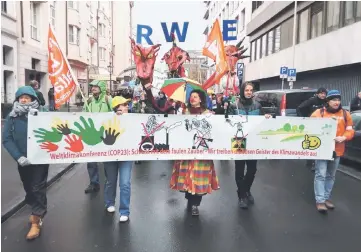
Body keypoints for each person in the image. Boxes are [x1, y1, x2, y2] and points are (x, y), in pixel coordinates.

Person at [2, 86, 49, 240]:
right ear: (17, 99)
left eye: (27, 97)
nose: (23, 99)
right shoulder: (12, 117)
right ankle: (35, 207)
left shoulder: (42, 113)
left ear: (33, 99)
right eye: (21, 97)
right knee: (28, 187)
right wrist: (18, 157)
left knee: (37, 187)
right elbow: (7, 139)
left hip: (40, 159)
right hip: (23, 161)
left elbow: (57, 127)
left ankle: (37, 219)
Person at [170, 90, 220, 216]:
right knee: (188, 177)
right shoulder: (185, 112)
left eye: (195, 97)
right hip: (187, 151)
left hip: (202, 152)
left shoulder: (208, 114)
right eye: (191, 97)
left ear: (201, 99)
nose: (193, 99)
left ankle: (195, 205)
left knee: (199, 179)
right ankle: (190, 199)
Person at [229, 82, 271, 209]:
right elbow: (227, 122)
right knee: (240, 170)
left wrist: (266, 117)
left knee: (252, 170)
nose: (249, 92)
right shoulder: (234, 105)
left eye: (251, 90)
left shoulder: (257, 105)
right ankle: (242, 196)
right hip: (238, 141)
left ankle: (246, 190)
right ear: (242, 91)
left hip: (254, 141)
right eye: (246, 90)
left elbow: (262, 121)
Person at [311, 90, 354, 213]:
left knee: (331, 175)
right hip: (322, 150)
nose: (336, 102)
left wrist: (344, 137)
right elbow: (309, 127)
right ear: (327, 101)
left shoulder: (345, 114)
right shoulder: (319, 113)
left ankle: (326, 198)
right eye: (333, 100)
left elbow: (350, 130)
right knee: (321, 175)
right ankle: (320, 200)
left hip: (338, 150)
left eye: (338, 100)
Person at [103, 96, 133, 222]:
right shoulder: (107, 118)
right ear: (116, 107)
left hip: (126, 155)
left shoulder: (132, 119)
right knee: (111, 181)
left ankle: (124, 211)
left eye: (127, 104)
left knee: (125, 183)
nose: (127, 106)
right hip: (110, 154)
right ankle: (109, 203)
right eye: (124, 104)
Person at [83, 81, 113, 194]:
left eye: (96, 86)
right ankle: (94, 183)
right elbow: (83, 114)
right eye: (92, 87)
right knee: (90, 159)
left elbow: (116, 113)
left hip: (105, 134)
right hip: (92, 134)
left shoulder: (108, 99)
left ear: (101, 88)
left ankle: (109, 181)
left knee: (106, 160)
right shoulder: (89, 101)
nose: (93, 88)